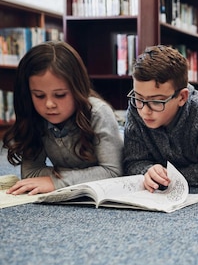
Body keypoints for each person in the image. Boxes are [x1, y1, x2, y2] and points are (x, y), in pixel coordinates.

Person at [3, 41, 123, 195]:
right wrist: (84, 175)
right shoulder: (35, 117)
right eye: (39, 95)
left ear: (77, 88)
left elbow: (114, 172)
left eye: (60, 95)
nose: (49, 104)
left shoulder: (98, 113)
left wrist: (57, 181)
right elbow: (30, 174)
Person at [123, 45, 198, 190]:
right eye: (139, 98)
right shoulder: (135, 108)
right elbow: (132, 162)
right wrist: (148, 170)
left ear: (182, 97)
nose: (144, 111)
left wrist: (165, 176)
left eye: (156, 101)